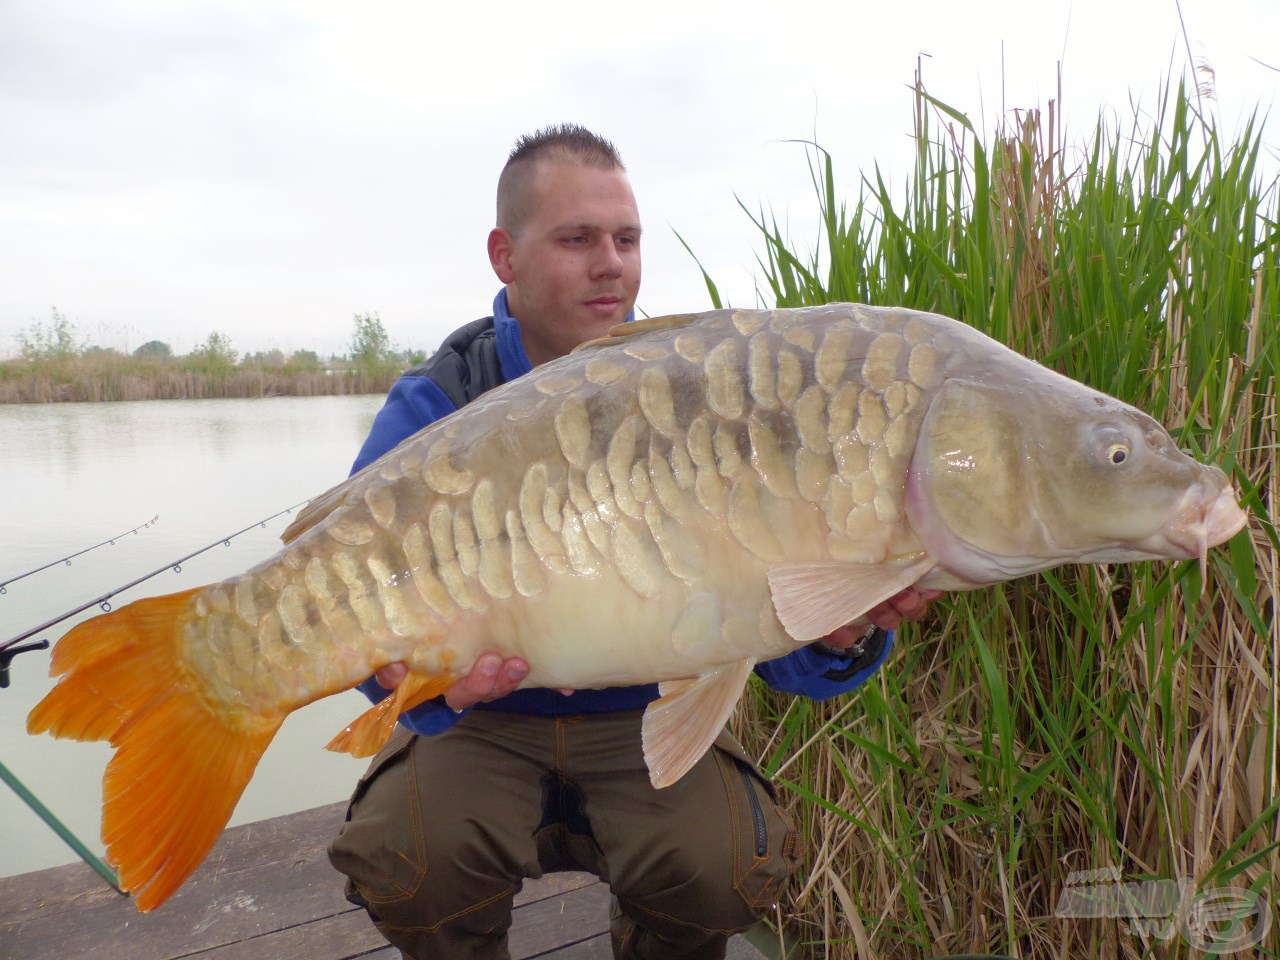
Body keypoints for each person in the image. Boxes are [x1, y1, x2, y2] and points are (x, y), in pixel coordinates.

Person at [328, 124, 937, 960]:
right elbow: (357, 626)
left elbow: (788, 660)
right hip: (485, 727)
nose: (611, 263)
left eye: (626, 239)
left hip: (640, 713)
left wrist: (844, 627)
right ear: (505, 256)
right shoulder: (441, 401)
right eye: (577, 239)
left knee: (727, 864)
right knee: (406, 855)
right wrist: (419, 684)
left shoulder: (710, 393)